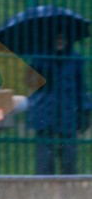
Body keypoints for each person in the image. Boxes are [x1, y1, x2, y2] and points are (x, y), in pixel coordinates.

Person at [27, 32, 86, 175]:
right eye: (56, 37)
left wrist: (84, 111)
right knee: (44, 164)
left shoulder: (75, 58)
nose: (59, 40)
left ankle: (69, 188)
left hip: (68, 114)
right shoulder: (40, 57)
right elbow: (30, 82)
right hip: (45, 114)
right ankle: (44, 189)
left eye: (62, 37)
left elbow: (81, 88)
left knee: (69, 162)